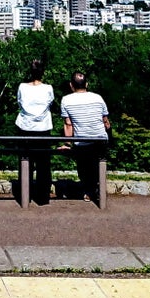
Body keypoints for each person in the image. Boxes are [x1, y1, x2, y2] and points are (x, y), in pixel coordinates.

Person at [59, 71, 111, 204]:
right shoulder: (98, 98)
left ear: (71, 85)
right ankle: (97, 187)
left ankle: (89, 191)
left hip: (82, 142)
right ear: (87, 84)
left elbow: (68, 124)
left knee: (83, 167)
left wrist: (68, 143)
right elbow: (105, 121)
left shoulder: (66, 100)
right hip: (100, 139)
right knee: (96, 163)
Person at [15, 60, 56, 205]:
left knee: (25, 161)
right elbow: (50, 103)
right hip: (43, 128)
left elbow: (19, 102)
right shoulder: (48, 88)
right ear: (43, 72)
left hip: (25, 127)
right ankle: (43, 197)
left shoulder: (22, 87)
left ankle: (24, 194)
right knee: (44, 164)